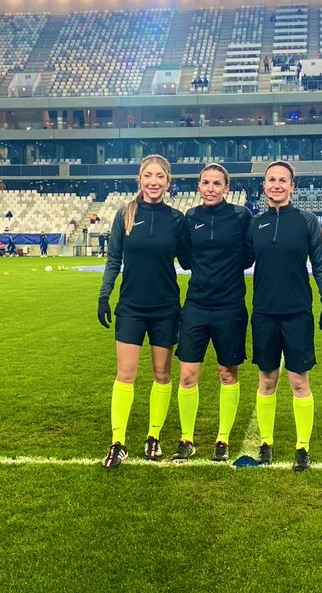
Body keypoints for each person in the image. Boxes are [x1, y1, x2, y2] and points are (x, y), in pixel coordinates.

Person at [97, 155, 191, 468]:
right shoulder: (124, 214)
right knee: (125, 374)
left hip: (165, 307)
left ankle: (153, 437)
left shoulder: (177, 220)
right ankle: (118, 442)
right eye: (148, 175)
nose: (154, 182)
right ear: (140, 179)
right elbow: (113, 260)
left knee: (162, 374)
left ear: (168, 181)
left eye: (160, 177)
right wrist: (104, 295)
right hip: (131, 308)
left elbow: (191, 261)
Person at [249, 161, 322, 472]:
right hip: (264, 313)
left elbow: (320, 265)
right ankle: (266, 444)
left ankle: (302, 448)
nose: (276, 185)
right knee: (267, 380)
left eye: (282, 180)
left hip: (298, 313)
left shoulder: (307, 221)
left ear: (292, 186)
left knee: (299, 381)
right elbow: (234, 260)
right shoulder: (255, 224)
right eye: (271, 179)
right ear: (264, 186)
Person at [173, 163, 254, 463]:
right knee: (187, 374)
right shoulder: (190, 217)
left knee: (227, 373)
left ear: (226, 188)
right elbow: (185, 258)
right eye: (205, 183)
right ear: (199, 186)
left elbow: (249, 254)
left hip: (230, 307)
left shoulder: (241, 216)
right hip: (195, 305)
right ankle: (186, 439)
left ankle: (222, 440)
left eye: (216, 183)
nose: (210, 188)